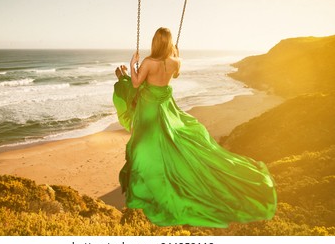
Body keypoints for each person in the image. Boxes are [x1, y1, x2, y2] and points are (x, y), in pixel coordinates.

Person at [113, 27, 277, 227]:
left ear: (155, 42)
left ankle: (151, 180)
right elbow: (176, 74)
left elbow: (137, 84)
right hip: (164, 104)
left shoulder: (148, 62)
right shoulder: (177, 62)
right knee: (168, 137)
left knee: (143, 138)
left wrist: (132, 64)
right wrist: (175, 53)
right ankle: (158, 171)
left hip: (149, 106)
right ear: (170, 42)